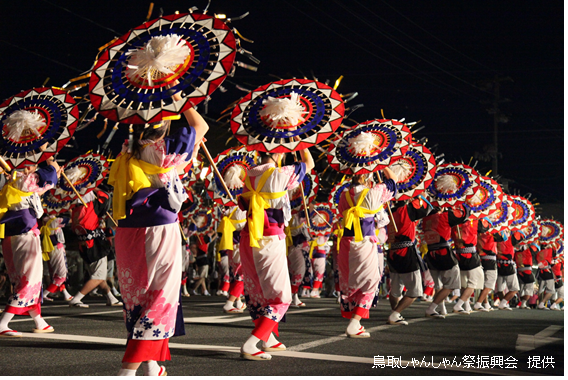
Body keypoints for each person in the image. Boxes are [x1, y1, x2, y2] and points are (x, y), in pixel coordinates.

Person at [109, 102, 209, 376]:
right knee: (159, 298)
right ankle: (127, 371)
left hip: (128, 230)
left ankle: (152, 366)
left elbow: (171, 172)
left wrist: (194, 146)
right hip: (157, 228)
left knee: (138, 297)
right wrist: (181, 99)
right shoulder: (166, 148)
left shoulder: (128, 150)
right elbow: (201, 126)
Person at [238, 144, 314, 361]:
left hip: (249, 236)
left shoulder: (250, 173)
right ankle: (251, 343)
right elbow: (309, 164)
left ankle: (268, 338)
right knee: (282, 297)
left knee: (259, 292)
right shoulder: (281, 173)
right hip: (269, 238)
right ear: (279, 151)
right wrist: (301, 145)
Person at [0, 157, 59, 337]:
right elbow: (49, 177)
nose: (35, 167)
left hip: (16, 237)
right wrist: (51, 163)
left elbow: (38, 191)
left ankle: (39, 321)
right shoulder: (22, 180)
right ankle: (3, 322)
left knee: (28, 280)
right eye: (33, 164)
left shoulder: (15, 183)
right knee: (28, 282)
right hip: (24, 237)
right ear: (26, 168)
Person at [337, 169, 397, 338]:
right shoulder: (373, 192)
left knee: (351, 281)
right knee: (371, 282)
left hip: (346, 243)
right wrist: (382, 164)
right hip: (364, 242)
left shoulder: (344, 195)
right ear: (366, 176)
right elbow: (393, 181)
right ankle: (355, 323)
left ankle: (355, 320)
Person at [68, 190, 122, 308]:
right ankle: (77, 298)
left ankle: (111, 298)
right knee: (98, 276)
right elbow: (105, 197)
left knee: (98, 275)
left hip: (84, 246)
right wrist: (94, 188)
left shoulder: (76, 211)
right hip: (95, 246)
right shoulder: (90, 208)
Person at [386, 195, 433, 325]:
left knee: (395, 289)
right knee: (415, 290)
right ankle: (395, 314)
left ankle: (394, 313)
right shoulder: (406, 210)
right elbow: (428, 208)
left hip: (392, 253)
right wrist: (418, 195)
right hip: (405, 253)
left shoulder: (390, 211)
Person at [422, 204, 470, 318]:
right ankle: (431, 308)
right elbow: (464, 216)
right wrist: (460, 204)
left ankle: (441, 308)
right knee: (450, 285)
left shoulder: (425, 219)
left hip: (431, 254)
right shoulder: (443, 216)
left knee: (439, 285)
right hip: (443, 253)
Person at [450, 215, 486, 314]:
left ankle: (466, 305)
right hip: (470, 256)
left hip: (459, 255)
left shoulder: (454, 224)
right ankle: (459, 305)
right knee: (472, 283)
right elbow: (484, 228)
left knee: (463, 283)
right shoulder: (472, 222)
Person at [217, 205, 247, 313]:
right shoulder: (239, 208)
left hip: (232, 243)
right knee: (241, 273)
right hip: (239, 243)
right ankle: (229, 303)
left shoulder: (228, 209)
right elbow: (241, 225)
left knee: (235, 273)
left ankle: (238, 302)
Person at [40, 215, 73, 302]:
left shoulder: (45, 221)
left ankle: (66, 294)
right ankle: (44, 294)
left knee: (57, 274)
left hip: (51, 248)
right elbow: (70, 220)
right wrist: (69, 212)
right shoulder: (53, 220)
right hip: (56, 248)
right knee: (61, 275)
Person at [493, 229, 524, 310]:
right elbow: (521, 235)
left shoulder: (496, 240)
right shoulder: (509, 240)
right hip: (508, 266)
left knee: (500, 289)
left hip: (499, 264)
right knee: (515, 288)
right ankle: (503, 303)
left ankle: (503, 304)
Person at [286, 209, 311, 307]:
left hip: (301, 245)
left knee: (301, 271)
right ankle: (291, 296)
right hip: (294, 245)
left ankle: (294, 295)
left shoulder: (301, 212)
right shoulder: (291, 213)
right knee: (298, 271)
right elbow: (294, 231)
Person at [474, 218, 498, 311]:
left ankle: (486, 303)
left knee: (484, 284)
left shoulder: (479, 233)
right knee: (489, 285)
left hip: (481, 258)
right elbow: (503, 237)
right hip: (490, 259)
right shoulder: (492, 233)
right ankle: (478, 303)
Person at [515, 241, 538, 309]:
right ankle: (523, 303)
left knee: (521, 290)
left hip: (519, 272)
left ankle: (522, 303)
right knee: (529, 290)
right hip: (528, 272)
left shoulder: (516, 253)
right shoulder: (528, 251)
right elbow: (536, 248)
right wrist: (534, 240)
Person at [536, 241, 557, 310]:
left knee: (540, 290)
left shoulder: (538, 253)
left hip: (541, 272)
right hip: (547, 272)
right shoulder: (549, 250)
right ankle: (541, 303)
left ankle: (539, 303)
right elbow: (555, 253)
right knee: (551, 291)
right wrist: (552, 243)